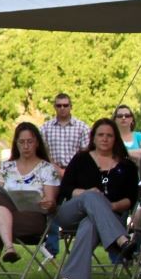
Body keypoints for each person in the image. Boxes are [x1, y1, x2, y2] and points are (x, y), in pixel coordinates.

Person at [56, 118, 140, 279]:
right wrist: (88, 194)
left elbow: (131, 199)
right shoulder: (81, 159)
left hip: (110, 215)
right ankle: (121, 240)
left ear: (115, 138)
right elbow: (65, 188)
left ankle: (74, 277)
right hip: (71, 213)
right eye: (100, 135)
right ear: (93, 137)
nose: (104, 138)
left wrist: (110, 206)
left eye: (109, 135)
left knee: (90, 223)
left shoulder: (127, 166)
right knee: (92, 196)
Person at [0, 122, 59, 279]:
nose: (26, 146)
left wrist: (46, 202)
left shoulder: (47, 168)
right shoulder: (6, 167)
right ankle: (8, 247)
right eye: (22, 142)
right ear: (16, 144)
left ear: (37, 142)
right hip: (6, 217)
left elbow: (51, 202)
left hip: (33, 219)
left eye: (29, 141)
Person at [39, 92, 91, 256]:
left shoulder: (82, 127)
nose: (62, 108)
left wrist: (68, 171)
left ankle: (80, 245)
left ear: (71, 106)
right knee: (51, 206)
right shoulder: (45, 128)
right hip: (52, 174)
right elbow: (41, 153)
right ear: (55, 107)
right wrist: (56, 168)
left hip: (75, 174)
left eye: (65, 105)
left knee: (82, 207)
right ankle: (52, 248)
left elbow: (86, 154)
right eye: (59, 105)